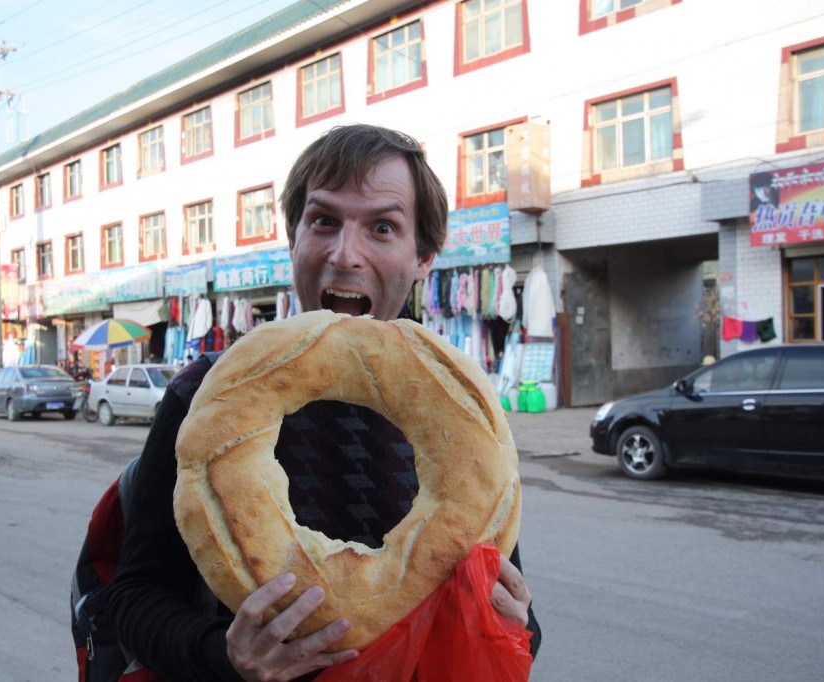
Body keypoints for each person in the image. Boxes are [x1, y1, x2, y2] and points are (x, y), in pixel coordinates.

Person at [108, 124, 541, 681]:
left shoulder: (461, 410)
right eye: (324, 221)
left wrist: (515, 623)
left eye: (382, 227)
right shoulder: (208, 396)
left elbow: (515, 610)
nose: (344, 255)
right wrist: (223, 657)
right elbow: (133, 596)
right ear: (294, 237)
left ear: (424, 257)